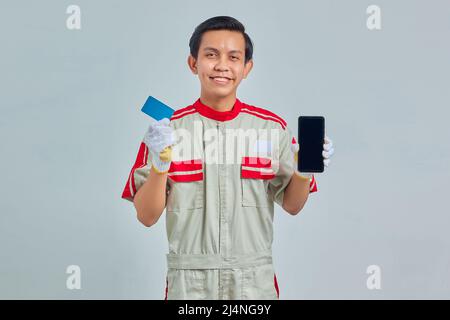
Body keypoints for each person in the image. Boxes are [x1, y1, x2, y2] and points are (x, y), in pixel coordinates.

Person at [121, 16, 335, 300]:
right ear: (193, 63)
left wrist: (302, 170)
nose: (222, 65)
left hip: (253, 284)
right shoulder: (166, 130)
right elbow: (146, 216)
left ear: (247, 68)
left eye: (234, 57)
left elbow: (294, 205)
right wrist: (160, 167)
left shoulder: (272, 128)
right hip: (189, 285)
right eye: (211, 55)